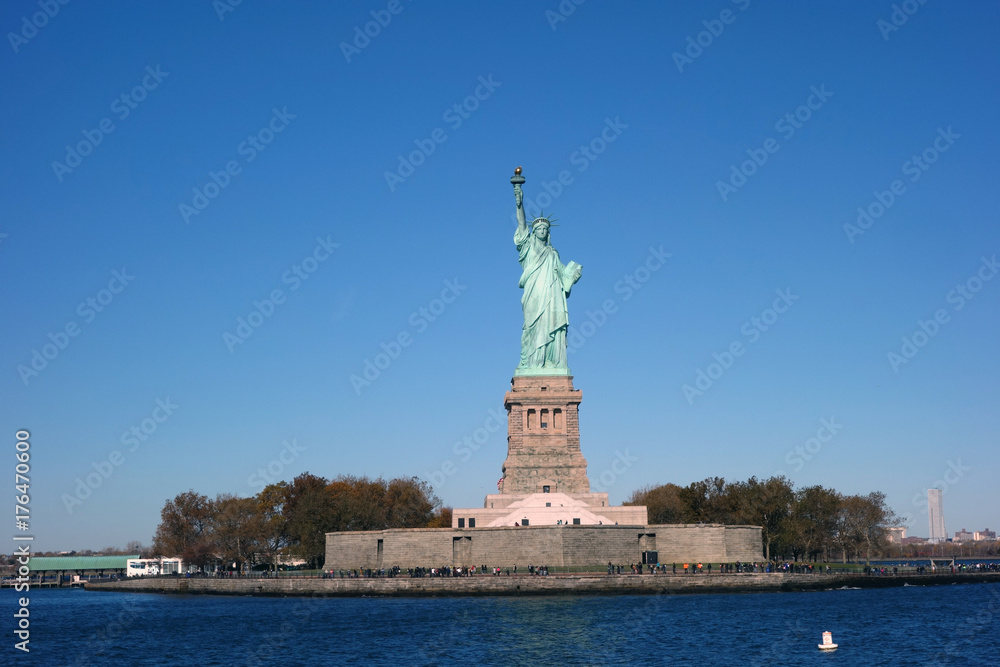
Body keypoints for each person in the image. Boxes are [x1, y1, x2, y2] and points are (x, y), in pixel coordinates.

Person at [512, 176, 582, 372]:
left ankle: (552, 362)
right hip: (534, 294)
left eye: (545, 229)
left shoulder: (552, 253)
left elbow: (563, 278)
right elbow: (521, 224)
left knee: (552, 324)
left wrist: (572, 276)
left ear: (548, 233)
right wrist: (519, 201)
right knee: (531, 327)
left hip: (551, 297)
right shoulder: (529, 245)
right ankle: (530, 363)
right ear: (533, 232)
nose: (542, 231)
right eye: (538, 228)